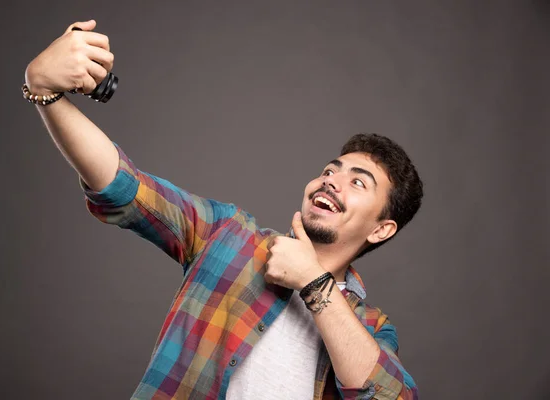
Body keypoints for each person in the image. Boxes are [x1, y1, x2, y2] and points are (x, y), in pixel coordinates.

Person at [24, 20, 422, 400]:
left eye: (358, 182)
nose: (331, 180)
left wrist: (314, 283)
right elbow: (123, 186)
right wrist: (46, 92)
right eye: (329, 170)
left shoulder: (370, 328)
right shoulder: (228, 236)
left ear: (381, 230)